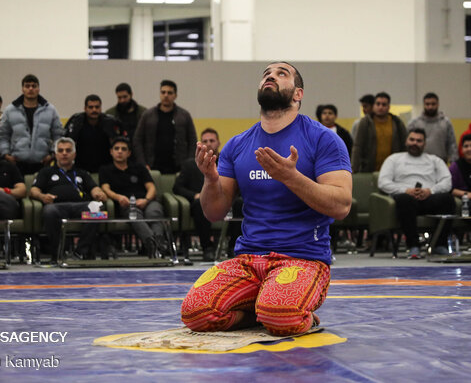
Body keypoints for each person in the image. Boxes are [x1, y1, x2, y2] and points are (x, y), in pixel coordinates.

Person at [180, 62, 352, 336]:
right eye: (266, 74)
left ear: (298, 94)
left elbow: (342, 205)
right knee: (196, 313)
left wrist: (290, 177)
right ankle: (260, 312)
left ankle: (283, 311)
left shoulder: (323, 139)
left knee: (281, 317)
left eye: (282, 73)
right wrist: (211, 180)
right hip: (248, 260)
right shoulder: (238, 144)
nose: (271, 75)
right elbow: (213, 213)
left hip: (302, 258)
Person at [378, 128, 454, 258]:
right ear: (406, 141)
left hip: (429, 198)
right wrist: (406, 190)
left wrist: (430, 191)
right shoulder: (394, 159)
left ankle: (439, 245)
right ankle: (413, 246)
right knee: (404, 199)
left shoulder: (434, 160)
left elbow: (447, 181)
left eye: (419, 141)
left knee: (448, 200)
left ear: (424, 144)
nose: (415, 143)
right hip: (405, 199)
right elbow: (383, 182)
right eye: (412, 139)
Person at [30, 137, 107, 263]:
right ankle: (58, 252)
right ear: (55, 155)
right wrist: (42, 197)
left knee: (98, 211)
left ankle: (80, 252)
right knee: (49, 212)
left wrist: (98, 194)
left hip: (81, 206)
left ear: (74, 154)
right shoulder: (46, 172)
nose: (64, 153)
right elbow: (34, 191)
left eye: (68, 150)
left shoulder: (82, 172)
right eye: (60, 151)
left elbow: (94, 189)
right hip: (57, 206)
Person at [99, 136, 169, 258]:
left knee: (155, 212)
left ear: (129, 153)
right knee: (134, 214)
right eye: (116, 148)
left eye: (123, 149)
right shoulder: (105, 170)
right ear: (111, 152)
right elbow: (105, 188)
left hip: (146, 201)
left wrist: (146, 200)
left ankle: (159, 243)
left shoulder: (139, 168)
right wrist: (118, 197)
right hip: (125, 203)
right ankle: (152, 244)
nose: (120, 151)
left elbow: (151, 187)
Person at [0, 74, 64, 176]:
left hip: (42, 163)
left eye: (34, 86)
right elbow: (3, 135)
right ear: (22, 89)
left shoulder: (50, 110)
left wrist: (52, 155)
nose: (30, 89)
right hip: (16, 163)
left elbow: (58, 135)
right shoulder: (10, 110)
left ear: (38, 89)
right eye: (27, 86)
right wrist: (6, 155)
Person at [174, 128, 222, 261]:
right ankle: (207, 248)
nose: (209, 143)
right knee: (199, 203)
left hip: (224, 200)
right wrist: (194, 195)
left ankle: (233, 247)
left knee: (239, 203)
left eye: (212, 140)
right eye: (205, 141)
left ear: (218, 143)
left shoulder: (226, 162)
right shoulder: (190, 165)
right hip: (200, 202)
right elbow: (177, 187)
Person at [133, 80, 197, 174]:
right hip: (152, 165)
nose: (166, 95)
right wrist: (142, 163)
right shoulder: (147, 115)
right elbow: (137, 140)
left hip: (178, 167)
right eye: (163, 92)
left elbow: (193, 141)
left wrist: (188, 164)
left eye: (170, 93)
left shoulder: (184, 115)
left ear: (175, 95)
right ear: (160, 94)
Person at [65, 94, 125, 173]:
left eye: (97, 107)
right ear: (85, 108)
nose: (94, 110)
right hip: (81, 168)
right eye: (91, 107)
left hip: (105, 168)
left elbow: (120, 143)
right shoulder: (76, 121)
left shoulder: (110, 122)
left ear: (101, 108)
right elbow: (66, 141)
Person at [351, 92, 407, 173]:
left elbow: (404, 146)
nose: (380, 107)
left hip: (393, 169)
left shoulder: (397, 122)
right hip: (369, 169)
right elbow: (357, 146)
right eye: (378, 104)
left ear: (389, 107)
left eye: (384, 105)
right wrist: (354, 168)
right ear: (373, 106)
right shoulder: (365, 122)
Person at [407, 92, 458, 163]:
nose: (430, 107)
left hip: (440, 163)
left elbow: (452, 144)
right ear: (423, 105)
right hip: (417, 162)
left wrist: (454, 163)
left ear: (438, 104)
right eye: (427, 104)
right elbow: (407, 144)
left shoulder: (446, 123)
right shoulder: (414, 123)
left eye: (433, 104)